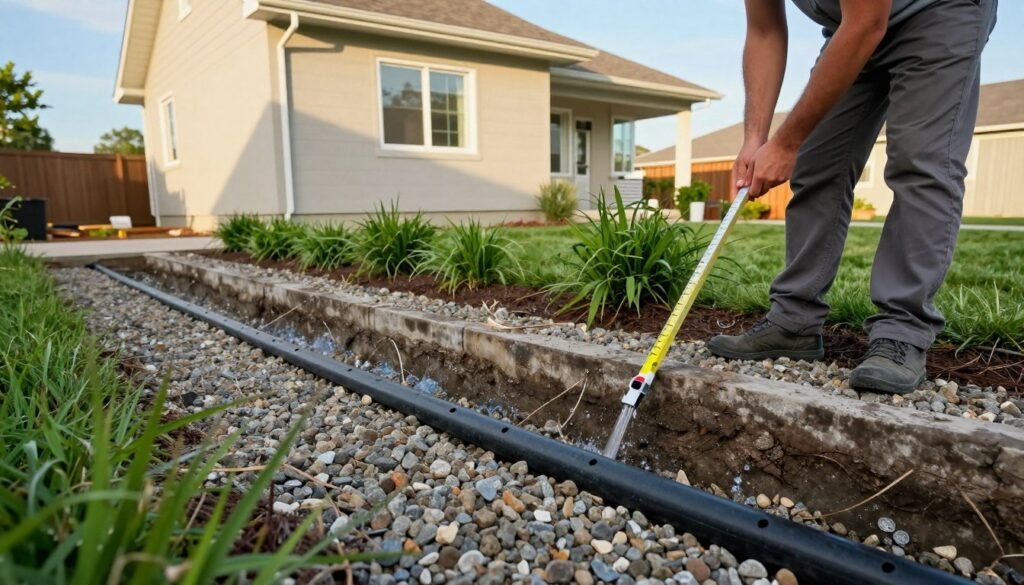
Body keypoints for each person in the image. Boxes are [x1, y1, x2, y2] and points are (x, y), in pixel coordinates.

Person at [706, 0, 998, 394]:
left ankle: (902, 332)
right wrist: (755, 139)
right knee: (817, 165)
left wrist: (786, 143)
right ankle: (794, 320)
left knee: (920, 163)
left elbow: (867, 23)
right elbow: (764, 31)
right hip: (851, 26)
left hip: (940, 11)